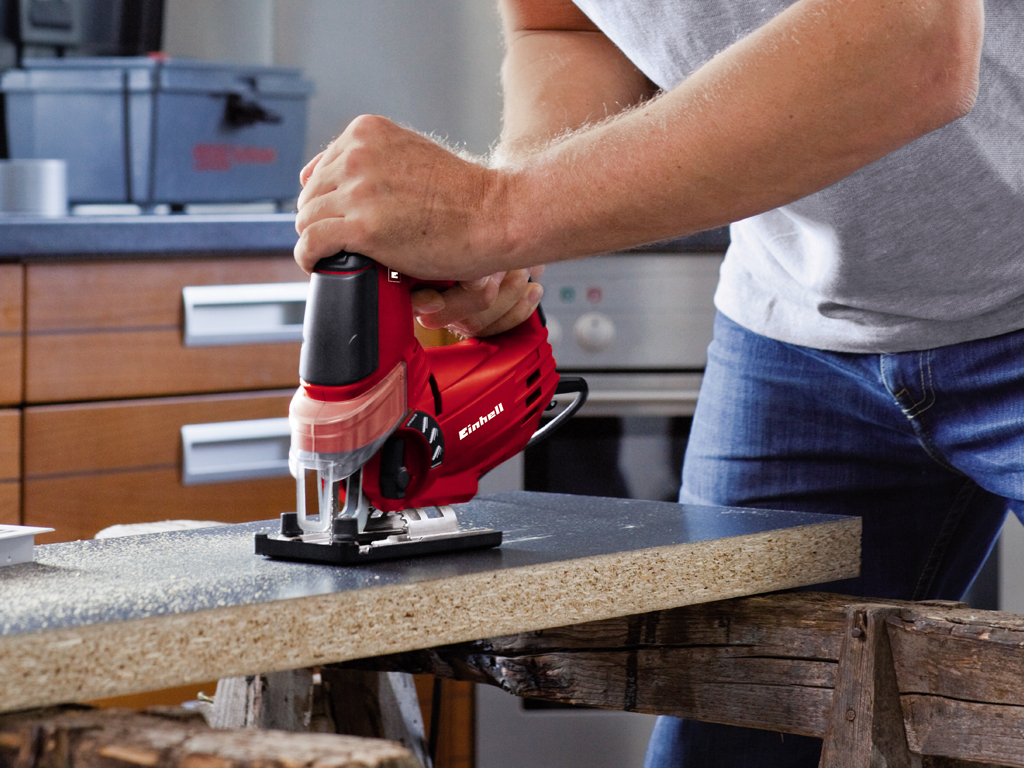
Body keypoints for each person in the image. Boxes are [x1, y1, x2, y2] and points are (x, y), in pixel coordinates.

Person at [293, 0, 1023, 764]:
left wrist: (499, 210)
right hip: (798, 329)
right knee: (725, 746)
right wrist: (516, 217)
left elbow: (913, 38)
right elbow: (566, 24)